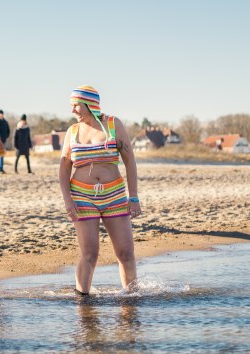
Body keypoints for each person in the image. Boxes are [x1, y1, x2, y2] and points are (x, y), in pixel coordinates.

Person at [58, 85, 141, 297]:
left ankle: (131, 299)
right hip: (82, 196)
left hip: (114, 194)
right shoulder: (72, 132)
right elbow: (64, 168)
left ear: (90, 104)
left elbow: (130, 162)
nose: (73, 110)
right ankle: (82, 301)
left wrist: (133, 197)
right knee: (90, 253)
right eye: (72, 106)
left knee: (125, 252)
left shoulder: (113, 125)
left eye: (76, 105)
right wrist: (68, 201)